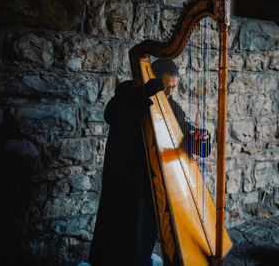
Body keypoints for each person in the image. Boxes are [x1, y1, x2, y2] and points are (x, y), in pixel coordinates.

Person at [89, 78, 163, 266]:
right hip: (123, 178)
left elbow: (189, 131)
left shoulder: (169, 106)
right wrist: (144, 93)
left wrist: (201, 140)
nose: (170, 92)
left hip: (149, 182)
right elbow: (111, 114)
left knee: (141, 240)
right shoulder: (128, 93)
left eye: (173, 88)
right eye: (168, 86)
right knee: (117, 237)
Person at [151, 59, 211, 158]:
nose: (169, 93)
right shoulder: (135, 99)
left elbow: (184, 128)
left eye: (173, 87)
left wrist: (199, 138)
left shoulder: (173, 107)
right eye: (165, 87)